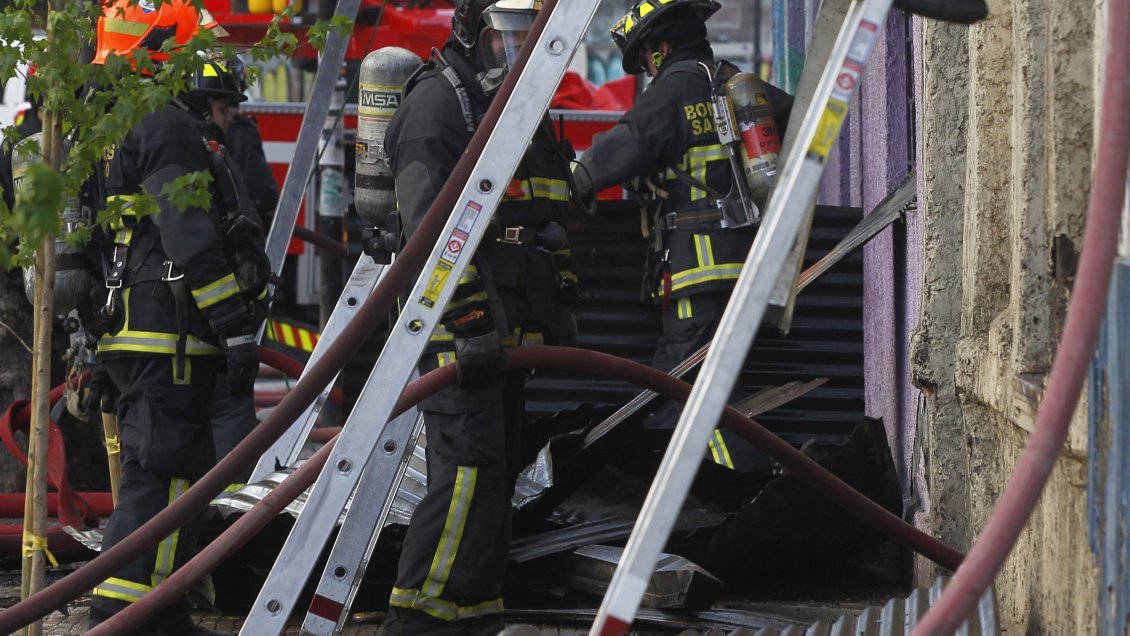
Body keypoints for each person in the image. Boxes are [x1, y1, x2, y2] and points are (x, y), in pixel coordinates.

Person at [380, 1, 580, 633]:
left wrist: (561, 288)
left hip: (511, 324)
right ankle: (418, 619)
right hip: (457, 327)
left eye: (530, 37)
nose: (519, 50)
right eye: (509, 36)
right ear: (473, 30)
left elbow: (548, 209)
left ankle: (472, 614)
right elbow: (430, 235)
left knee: (494, 471)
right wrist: (467, 321)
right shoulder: (438, 108)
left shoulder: (518, 111)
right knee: (466, 471)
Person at [84, 2, 260, 634]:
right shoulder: (171, 130)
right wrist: (235, 328)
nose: (230, 114)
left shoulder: (115, 126)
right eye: (222, 102)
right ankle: (132, 613)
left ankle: (152, 605)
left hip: (142, 328)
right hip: (172, 334)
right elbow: (190, 240)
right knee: (163, 474)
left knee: (166, 470)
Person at [572, 0, 792, 470]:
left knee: (690, 388)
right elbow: (793, 119)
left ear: (662, 47)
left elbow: (625, 145)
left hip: (698, 266)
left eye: (647, 60)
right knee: (702, 383)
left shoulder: (674, 88)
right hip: (746, 261)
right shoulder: (731, 80)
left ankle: (736, 489)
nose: (649, 71)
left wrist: (571, 182)